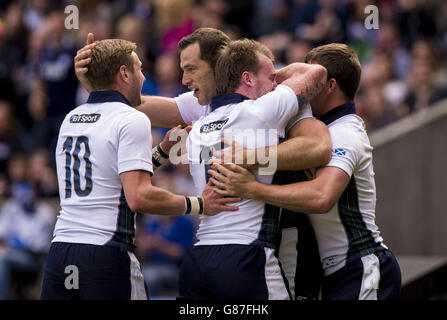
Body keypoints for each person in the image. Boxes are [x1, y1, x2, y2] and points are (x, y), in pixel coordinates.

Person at [40, 39, 239, 300]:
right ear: (124, 73)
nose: (144, 77)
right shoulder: (132, 119)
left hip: (60, 253)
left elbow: (114, 179)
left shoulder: (71, 118)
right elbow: (139, 196)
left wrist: (162, 152)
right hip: (104, 255)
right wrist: (200, 204)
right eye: (139, 69)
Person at [209, 43, 402, 300]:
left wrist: (252, 189)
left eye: (314, 79)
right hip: (337, 273)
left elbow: (322, 197)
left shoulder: (345, 133)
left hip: (363, 266)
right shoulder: (315, 129)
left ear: (329, 85)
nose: (303, 86)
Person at [180, 39, 327, 300]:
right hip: (245, 257)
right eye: (270, 77)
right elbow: (317, 73)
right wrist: (282, 75)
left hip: (197, 261)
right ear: (247, 79)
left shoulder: (197, 130)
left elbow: (217, 155)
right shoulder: (261, 111)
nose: (274, 85)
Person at [0, 181, 55, 300]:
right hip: (11, 253)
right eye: (20, 195)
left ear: (35, 194)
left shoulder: (45, 213)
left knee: (2, 258)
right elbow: (2, 234)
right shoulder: (11, 207)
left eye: (27, 194)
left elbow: (41, 248)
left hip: (34, 260)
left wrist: (19, 244)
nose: (23, 198)